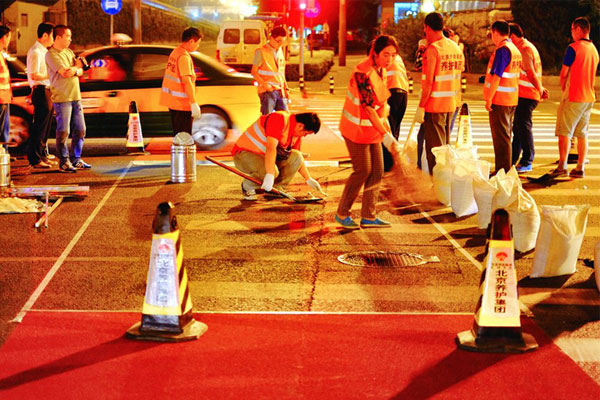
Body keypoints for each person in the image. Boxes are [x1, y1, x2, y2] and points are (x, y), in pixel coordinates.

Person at [336, 34, 401, 230]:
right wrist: (387, 136)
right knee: (363, 170)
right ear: (375, 53)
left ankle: (369, 216)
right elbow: (369, 109)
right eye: (385, 55)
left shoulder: (380, 70)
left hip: (371, 129)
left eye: (393, 55)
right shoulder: (362, 73)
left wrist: (386, 128)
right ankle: (342, 213)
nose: (389, 59)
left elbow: (381, 105)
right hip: (355, 129)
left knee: (377, 170)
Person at [232, 111, 323, 201]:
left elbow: (298, 160)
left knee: (297, 156)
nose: (304, 136)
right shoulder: (279, 118)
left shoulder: (295, 135)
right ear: (300, 126)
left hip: (263, 156)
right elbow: (271, 148)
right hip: (244, 154)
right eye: (306, 133)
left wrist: (308, 178)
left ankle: (275, 189)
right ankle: (247, 186)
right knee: (272, 171)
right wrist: (270, 174)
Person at [416, 13, 464, 175]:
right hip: (451, 104)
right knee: (445, 147)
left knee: (436, 151)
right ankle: (444, 183)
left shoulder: (433, 50)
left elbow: (429, 82)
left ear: (427, 28)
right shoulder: (455, 47)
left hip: (435, 106)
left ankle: (438, 184)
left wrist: (421, 106)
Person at [553, 17, 598, 178]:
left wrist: (564, 88)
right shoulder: (593, 49)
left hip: (574, 96)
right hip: (589, 97)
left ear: (578, 29)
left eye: (572, 29)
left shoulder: (573, 48)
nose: (571, 33)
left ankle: (562, 166)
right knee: (582, 134)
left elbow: (564, 73)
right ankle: (580, 167)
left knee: (564, 132)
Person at [45, 24, 90, 172]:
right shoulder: (51, 54)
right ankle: (64, 161)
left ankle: (76, 158)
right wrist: (77, 67)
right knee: (63, 131)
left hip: (76, 96)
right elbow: (65, 73)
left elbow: (79, 72)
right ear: (58, 37)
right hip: (62, 98)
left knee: (81, 129)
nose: (70, 39)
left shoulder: (69, 52)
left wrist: (76, 68)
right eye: (67, 36)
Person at [483, 20, 522, 175]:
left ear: (495, 32)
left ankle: (503, 171)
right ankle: (505, 169)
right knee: (505, 135)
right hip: (511, 99)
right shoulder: (514, 49)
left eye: (491, 33)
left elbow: (497, 77)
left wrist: (489, 99)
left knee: (501, 138)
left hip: (500, 99)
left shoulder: (503, 50)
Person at [508, 23, 548, 173]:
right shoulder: (527, 46)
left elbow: (530, 73)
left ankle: (527, 160)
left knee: (523, 128)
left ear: (512, 36)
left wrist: (540, 89)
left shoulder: (524, 49)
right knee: (518, 128)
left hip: (527, 95)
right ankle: (512, 159)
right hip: (525, 94)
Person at [160, 27, 203, 136]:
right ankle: (183, 153)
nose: (198, 46)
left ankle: (179, 152)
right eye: (197, 43)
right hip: (182, 104)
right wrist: (193, 103)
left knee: (178, 135)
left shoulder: (175, 52)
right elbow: (186, 81)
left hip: (173, 102)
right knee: (184, 137)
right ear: (191, 41)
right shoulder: (184, 57)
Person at [27, 22, 55, 169]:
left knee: (46, 125)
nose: (53, 39)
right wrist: (50, 74)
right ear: (45, 35)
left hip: (47, 90)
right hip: (40, 90)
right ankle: (35, 158)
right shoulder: (36, 52)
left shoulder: (43, 51)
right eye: (52, 36)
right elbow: (34, 74)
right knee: (40, 125)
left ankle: (42, 155)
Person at [251, 26, 289, 115]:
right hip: (267, 91)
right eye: (278, 41)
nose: (280, 44)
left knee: (285, 118)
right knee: (266, 118)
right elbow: (254, 72)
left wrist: (285, 89)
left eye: (282, 42)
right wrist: (266, 85)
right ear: (271, 38)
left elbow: (281, 72)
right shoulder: (261, 51)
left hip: (280, 91)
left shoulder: (280, 51)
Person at [383, 52, 409, 172]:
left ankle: (389, 164)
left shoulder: (382, 58)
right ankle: (394, 162)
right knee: (395, 129)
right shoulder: (397, 57)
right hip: (403, 93)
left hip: (390, 93)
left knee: (388, 130)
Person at [0, 26, 11, 152]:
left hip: (4, 97)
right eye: (9, 38)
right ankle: (3, 153)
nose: (9, 41)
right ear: (4, 37)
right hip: (1, 98)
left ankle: (4, 153)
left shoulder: (2, 54)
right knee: (2, 130)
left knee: (4, 129)